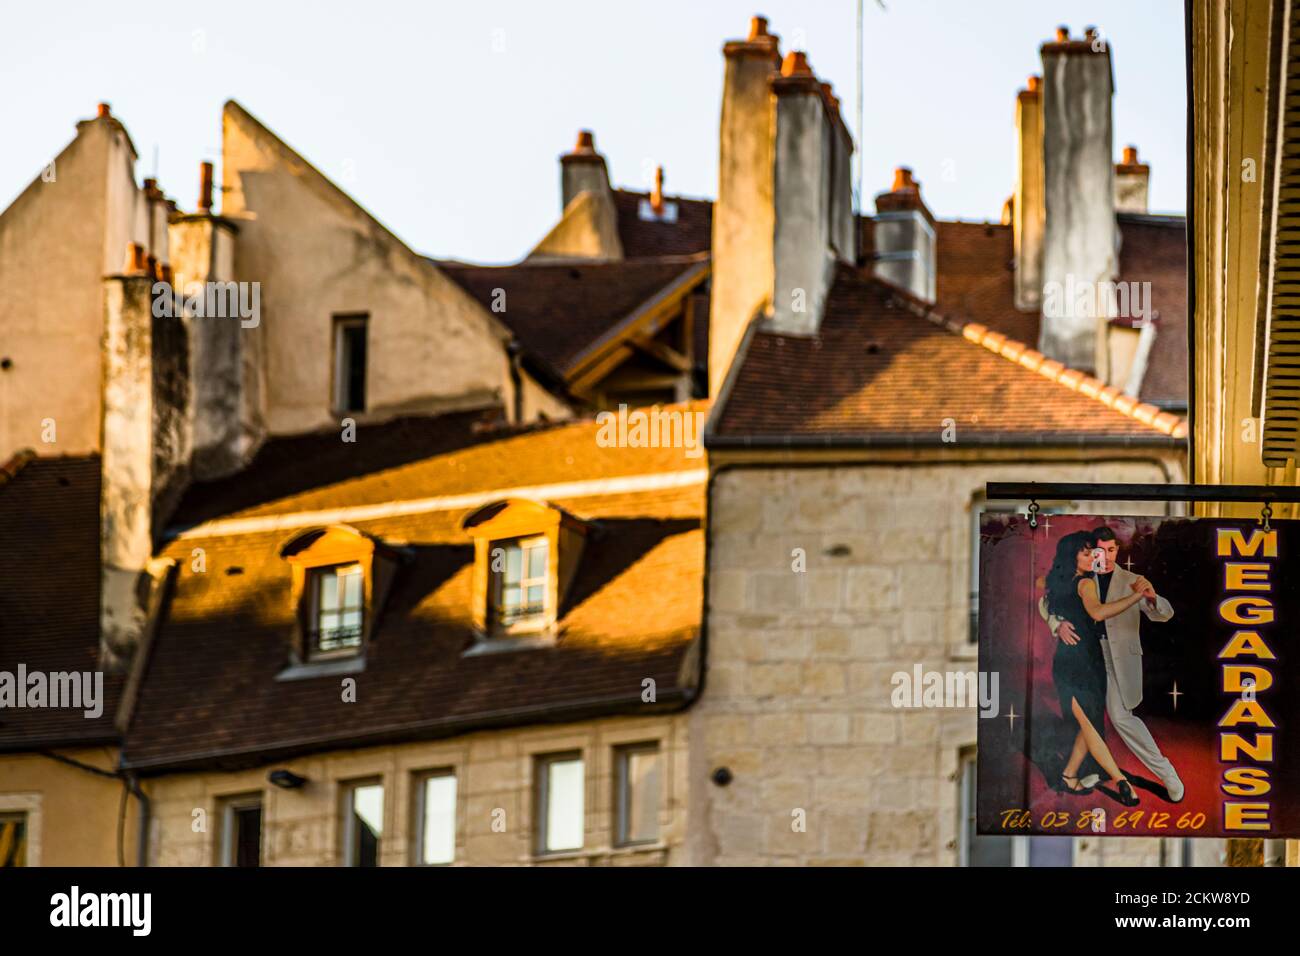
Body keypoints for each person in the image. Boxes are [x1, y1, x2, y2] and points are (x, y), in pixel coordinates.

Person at [1039, 526, 1182, 801]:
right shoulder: (1079, 574)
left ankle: (1167, 774)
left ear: (1118, 550)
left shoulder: (1132, 580)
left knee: (1119, 717)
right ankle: (1077, 774)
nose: (1105, 556)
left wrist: (1150, 597)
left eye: (1111, 550)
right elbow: (1047, 602)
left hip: (1115, 658)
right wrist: (1056, 624)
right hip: (1083, 656)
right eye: (1099, 550)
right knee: (1088, 717)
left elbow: (1165, 613)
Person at [1043, 531, 1143, 806]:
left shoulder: (1059, 580)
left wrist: (1059, 621)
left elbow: (1048, 600)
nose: (1094, 558)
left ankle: (1068, 776)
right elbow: (1097, 613)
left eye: (1095, 553)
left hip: (1088, 660)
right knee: (1089, 725)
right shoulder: (1085, 583)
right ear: (1072, 556)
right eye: (1086, 553)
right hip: (1076, 663)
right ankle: (1120, 780)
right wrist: (1135, 598)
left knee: (1087, 726)